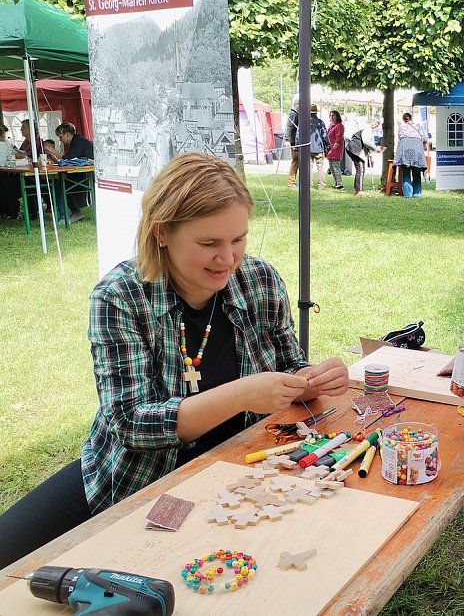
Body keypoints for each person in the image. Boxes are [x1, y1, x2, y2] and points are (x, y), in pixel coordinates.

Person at [0, 152, 350, 569]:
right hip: (137, 476)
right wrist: (240, 395)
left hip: (242, 471)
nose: (229, 259)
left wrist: (309, 380)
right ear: (162, 232)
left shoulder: (260, 280)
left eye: (238, 239)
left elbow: (290, 366)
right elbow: (130, 423)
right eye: (209, 244)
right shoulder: (120, 297)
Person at [55, 122, 95, 222]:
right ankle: (74, 212)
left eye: (60, 137)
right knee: (60, 182)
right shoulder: (77, 141)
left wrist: (53, 151)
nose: (60, 140)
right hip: (81, 173)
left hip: (84, 175)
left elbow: (70, 158)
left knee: (59, 185)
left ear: (67, 134)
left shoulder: (78, 141)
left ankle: (65, 216)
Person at [393, 112, 428, 198]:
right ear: (411, 118)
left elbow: (400, 138)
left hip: (404, 149)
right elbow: (425, 138)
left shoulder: (401, 127)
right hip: (417, 150)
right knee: (416, 173)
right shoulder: (418, 126)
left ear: (403, 119)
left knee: (406, 173)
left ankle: (407, 195)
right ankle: (416, 194)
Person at [296, 104, 330, 190]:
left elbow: (298, 135)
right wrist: (328, 145)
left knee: (308, 168)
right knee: (320, 168)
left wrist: (297, 145)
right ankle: (322, 185)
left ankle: (308, 186)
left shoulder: (303, 122)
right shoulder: (320, 123)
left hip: (307, 149)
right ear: (316, 113)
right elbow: (325, 136)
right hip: (318, 148)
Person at [345, 121, 382, 197]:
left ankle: (358, 189)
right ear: (372, 122)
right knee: (361, 169)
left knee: (360, 169)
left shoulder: (365, 128)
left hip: (353, 148)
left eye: (377, 125)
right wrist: (376, 149)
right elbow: (366, 142)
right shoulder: (367, 129)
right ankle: (359, 191)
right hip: (355, 149)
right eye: (375, 123)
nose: (375, 126)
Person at [326, 110, 345, 190]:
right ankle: (336, 182)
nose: (331, 117)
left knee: (336, 166)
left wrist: (333, 149)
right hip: (330, 148)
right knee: (331, 166)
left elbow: (339, 139)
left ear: (337, 116)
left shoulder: (339, 126)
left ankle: (339, 183)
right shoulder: (331, 125)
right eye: (330, 115)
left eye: (333, 115)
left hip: (336, 149)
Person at [285, 95, 300, 188]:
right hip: (294, 142)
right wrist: (289, 141)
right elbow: (290, 127)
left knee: (296, 161)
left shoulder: (294, 113)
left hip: (294, 141)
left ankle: (292, 181)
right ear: (297, 104)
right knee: (295, 161)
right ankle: (291, 182)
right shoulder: (294, 114)